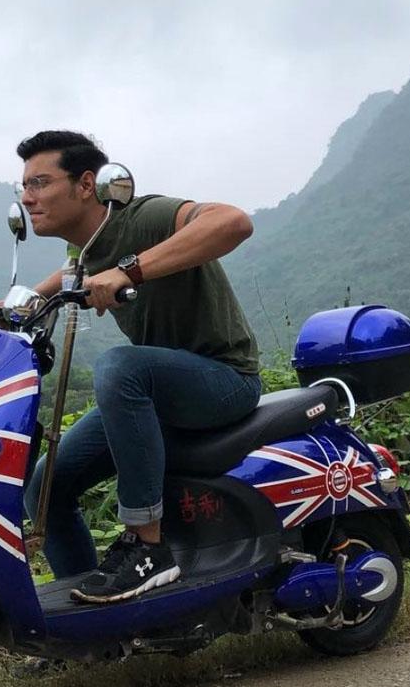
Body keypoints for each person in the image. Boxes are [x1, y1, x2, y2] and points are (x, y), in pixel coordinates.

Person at [16, 130, 261, 603]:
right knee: (46, 485)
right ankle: (87, 621)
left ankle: (147, 547)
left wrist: (129, 271)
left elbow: (232, 221)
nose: (28, 198)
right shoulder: (85, 251)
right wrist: (21, 305)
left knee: (120, 366)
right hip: (160, 391)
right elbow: (68, 278)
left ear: (86, 185)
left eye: (40, 183)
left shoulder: (142, 217)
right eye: (23, 188)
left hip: (225, 379)